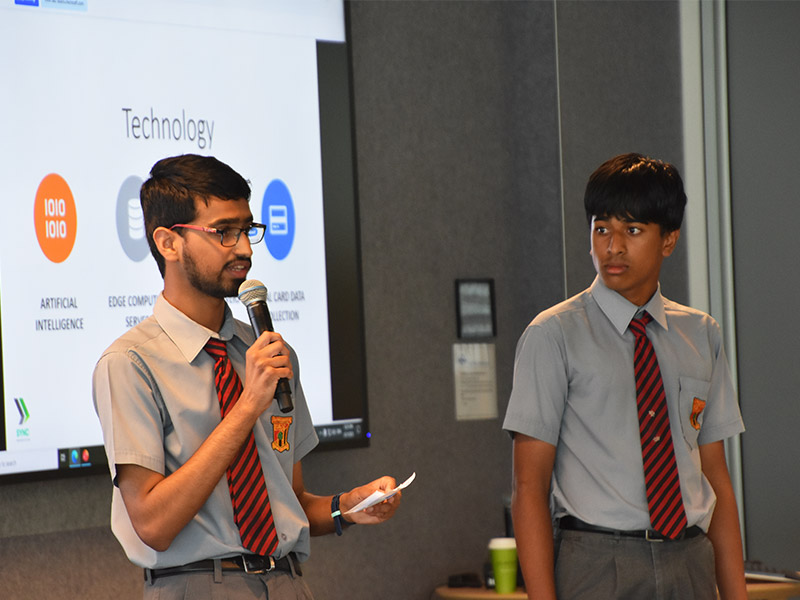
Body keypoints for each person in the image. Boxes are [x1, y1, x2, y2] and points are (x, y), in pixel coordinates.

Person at [92, 154, 400, 600]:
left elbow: (291, 501)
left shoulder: (267, 354)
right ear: (168, 243)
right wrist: (248, 405)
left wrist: (347, 508)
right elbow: (153, 525)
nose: (245, 250)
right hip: (198, 585)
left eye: (247, 229)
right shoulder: (130, 364)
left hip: (288, 581)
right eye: (223, 232)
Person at [503, 153, 747, 599]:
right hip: (597, 561)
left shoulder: (701, 334)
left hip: (690, 558)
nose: (612, 246)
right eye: (601, 229)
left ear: (668, 240)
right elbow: (528, 486)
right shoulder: (553, 334)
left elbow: (716, 477)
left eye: (632, 230)